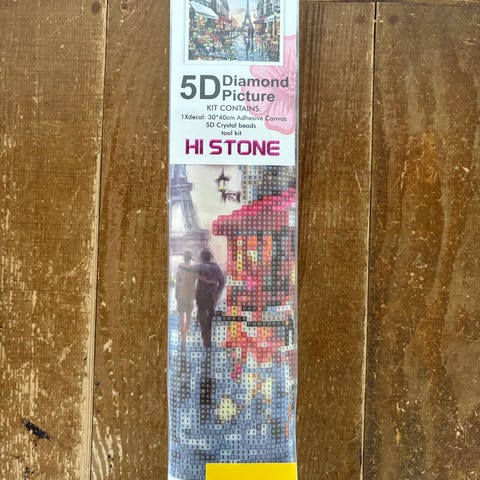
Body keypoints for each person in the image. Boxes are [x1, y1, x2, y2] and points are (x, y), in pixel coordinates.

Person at [180, 248, 225, 349]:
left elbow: (189, 268)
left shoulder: (201, 266)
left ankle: (206, 339)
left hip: (202, 297)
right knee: (209, 317)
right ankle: (208, 340)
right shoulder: (216, 267)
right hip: (212, 297)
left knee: (202, 316)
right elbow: (222, 281)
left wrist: (181, 265)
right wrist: (218, 292)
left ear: (202, 257)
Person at [175, 249, 196, 349]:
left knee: (181, 317)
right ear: (191, 257)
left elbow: (177, 282)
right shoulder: (194, 268)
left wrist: (176, 294)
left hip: (181, 296)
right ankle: (185, 335)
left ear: (184, 257)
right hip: (190, 296)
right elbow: (196, 282)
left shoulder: (180, 267)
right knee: (188, 317)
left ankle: (183, 338)